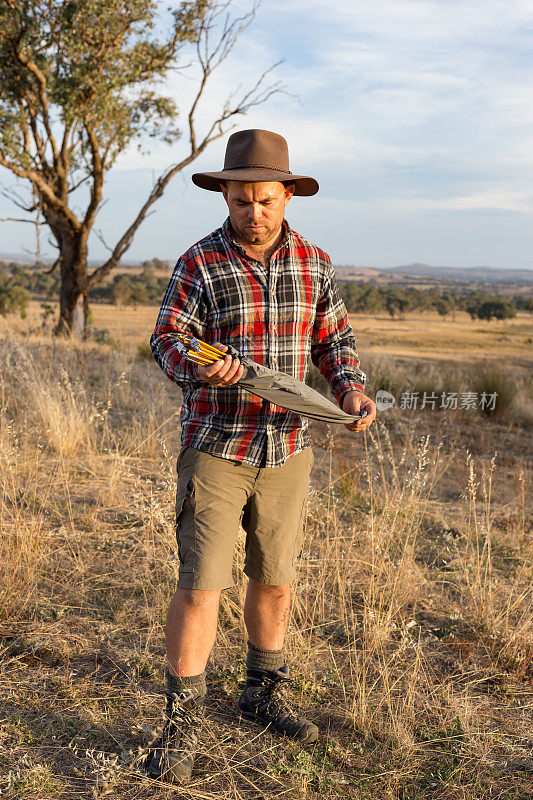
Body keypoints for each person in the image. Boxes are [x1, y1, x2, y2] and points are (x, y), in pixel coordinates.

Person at [148, 128, 376, 782]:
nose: (253, 211)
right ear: (225, 195)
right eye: (241, 199)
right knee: (200, 585)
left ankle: (261, 695)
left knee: (273, 579)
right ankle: (181, 726)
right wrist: (201, 367)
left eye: (265, 199)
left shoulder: (315, 262)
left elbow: (335, 343)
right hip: (217, 445)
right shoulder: (198, 263)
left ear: (286, 196)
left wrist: (351, 392)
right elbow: (167, 338)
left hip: (289, 449)